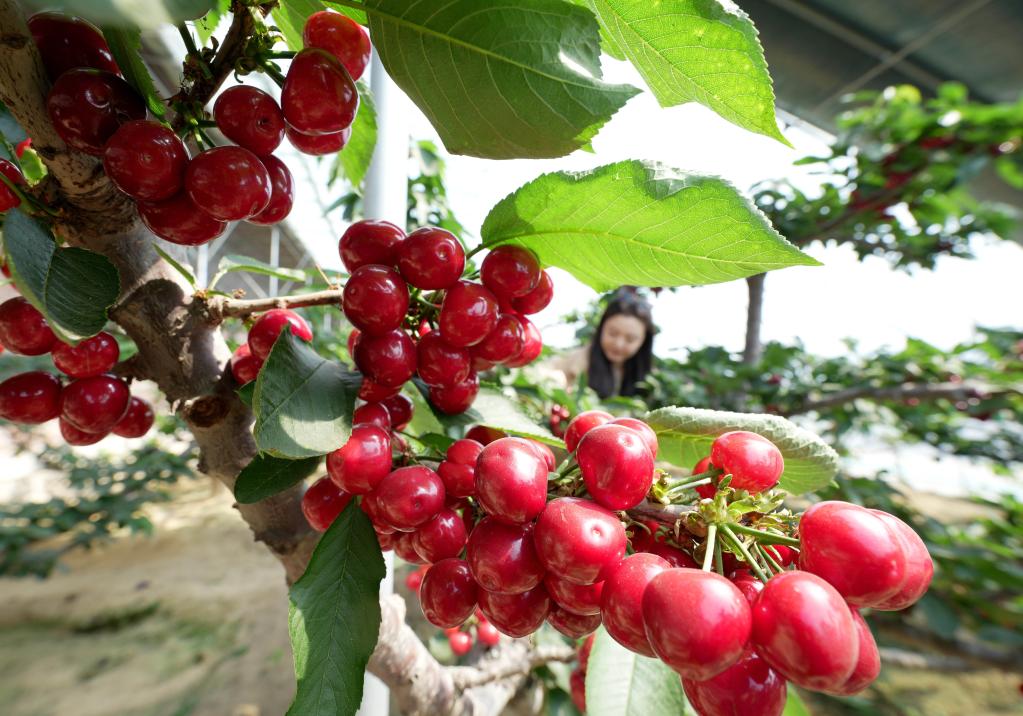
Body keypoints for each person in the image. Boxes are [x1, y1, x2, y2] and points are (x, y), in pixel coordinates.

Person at [548, 290, 656, 399]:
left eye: (630, 339)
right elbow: (543, 371)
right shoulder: (572, 362)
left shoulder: (649, 381)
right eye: (612, 334)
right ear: (601, 329)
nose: (618, 344)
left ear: (644, 342)